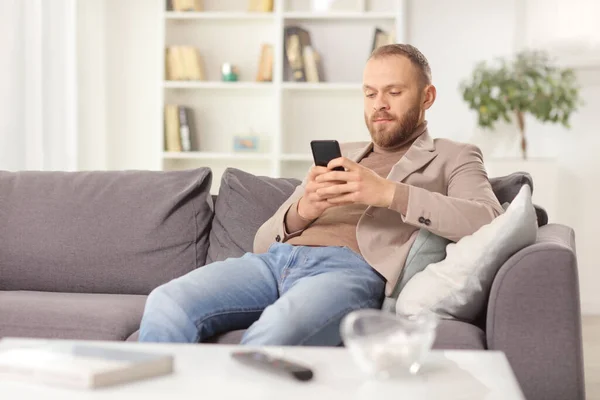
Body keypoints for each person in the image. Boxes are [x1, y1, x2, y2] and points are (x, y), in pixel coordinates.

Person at [138, 44, 504, 346]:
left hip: (348, 271)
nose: (380, 104)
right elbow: (263, 242)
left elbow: (486, 219)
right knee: (167, 302)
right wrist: (303, 209)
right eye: (370, 93)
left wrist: (390, 193)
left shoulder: (454, 154)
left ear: (427, 96)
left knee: (277, 330)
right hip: (276, 261)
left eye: (394, 92)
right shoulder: (344, 152)